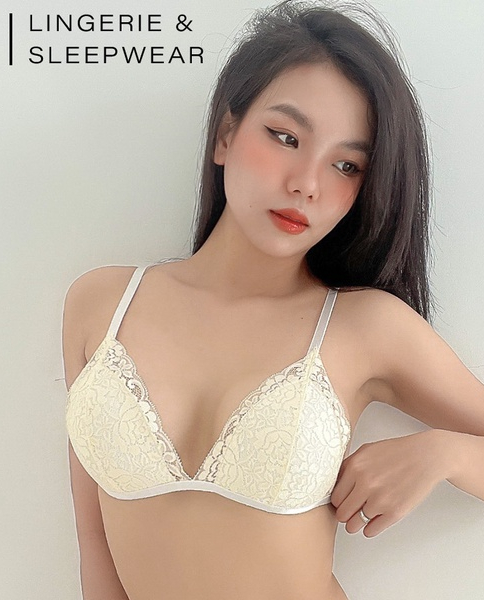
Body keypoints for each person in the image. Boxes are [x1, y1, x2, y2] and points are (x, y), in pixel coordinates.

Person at [62, 1, 484, 598]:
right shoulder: (102, 305)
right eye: (286, 137)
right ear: (225, 135)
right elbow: (94, 544)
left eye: (346, 165)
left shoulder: (365, 327)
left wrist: (447, 454)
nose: (306, 183)